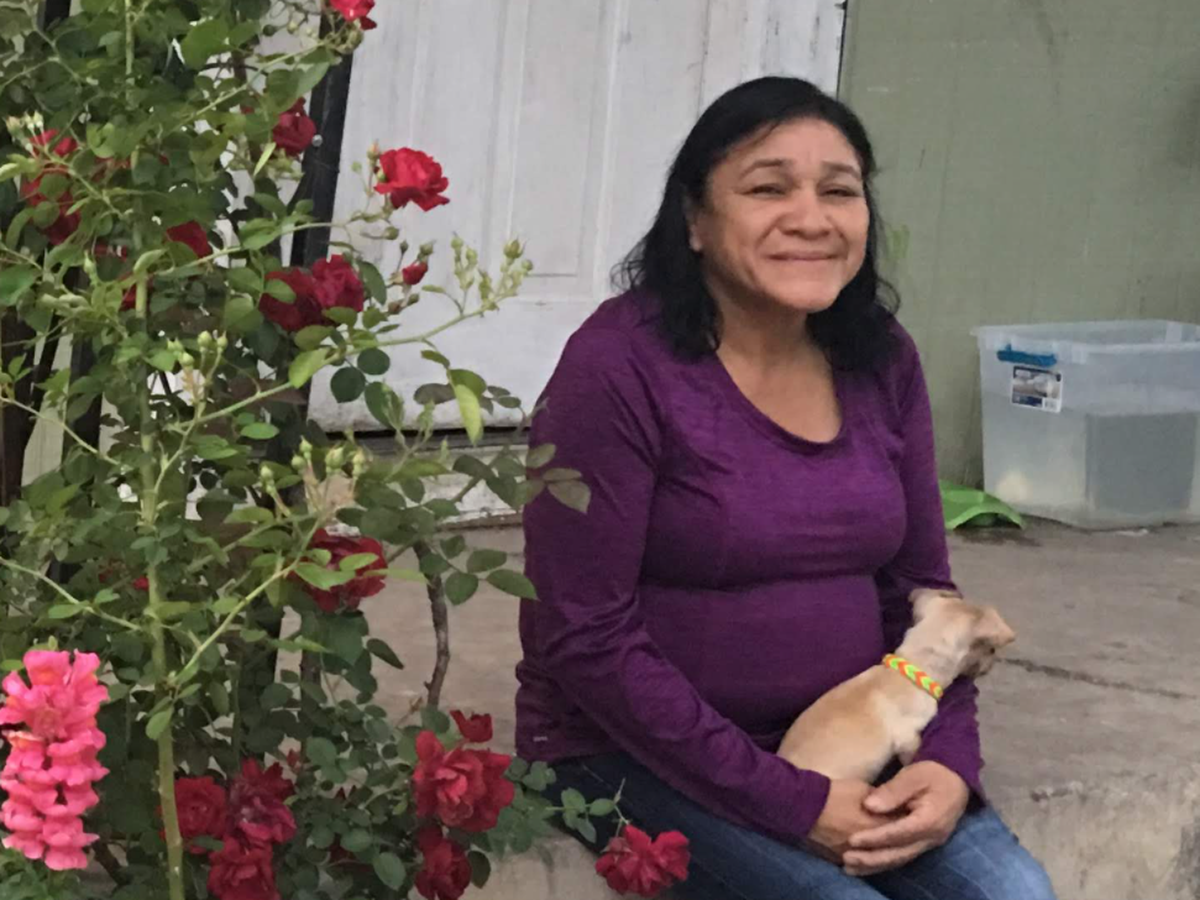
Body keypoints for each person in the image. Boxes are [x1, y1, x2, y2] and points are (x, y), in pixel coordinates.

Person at [514, 76, 1057, 900]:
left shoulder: (880, 357)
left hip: (855, 737)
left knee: (1016, 895)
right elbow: (583, 634)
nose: (811, 218)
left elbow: (922, 595)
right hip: (626, 755)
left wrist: (949, 762)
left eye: (839, 191)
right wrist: (790, 799)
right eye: (769, 189)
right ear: (694, 220)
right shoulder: (617, 368)